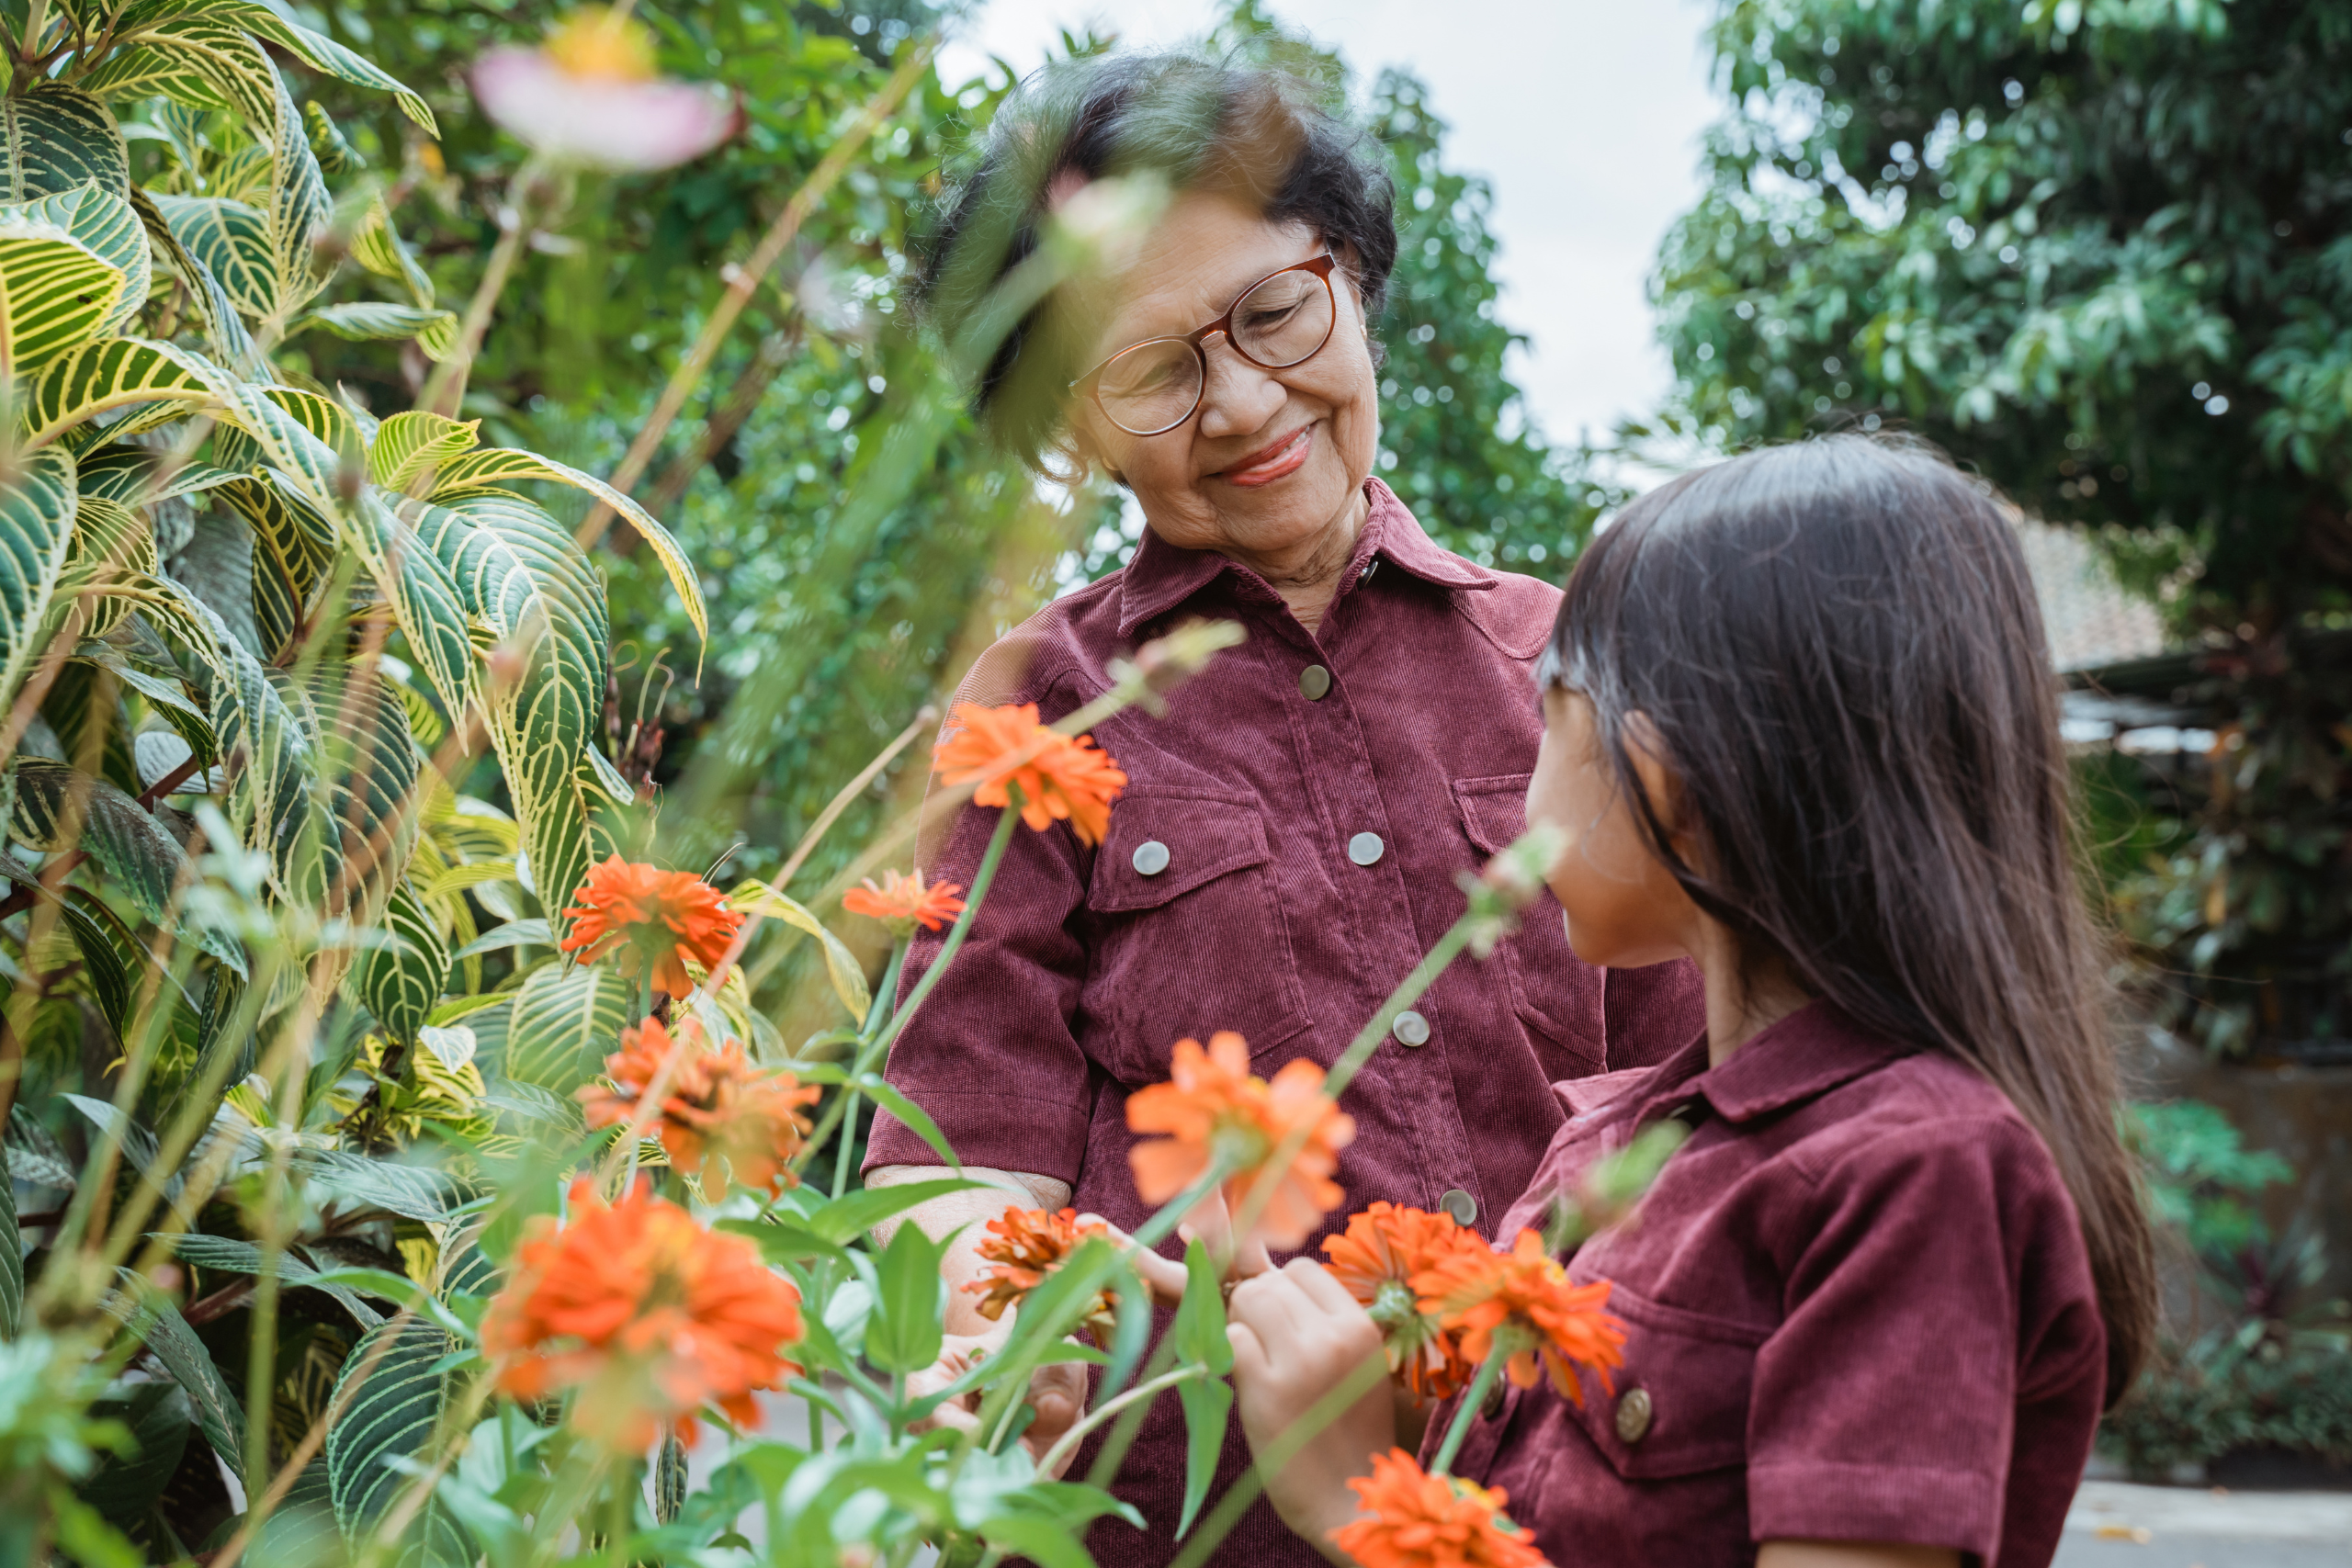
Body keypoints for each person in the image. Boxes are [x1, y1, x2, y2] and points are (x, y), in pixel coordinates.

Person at [856, 51, 1703, 1568]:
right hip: (1195, 1523)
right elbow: (959, 1149)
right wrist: (991, 1353)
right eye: (1153, 369)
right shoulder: (1042, 706)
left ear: (1355, 280)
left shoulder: (1576, 654)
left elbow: (1717, 1086)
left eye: (1272, 312)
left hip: (1578, 1504)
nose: (1245, 401)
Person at [1206, 437, 2157, 1568]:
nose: (1520, 801)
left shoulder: (1916, 1177)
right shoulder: (1627, 1139)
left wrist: (1366, 1512)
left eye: (1546, 719)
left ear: (1664, 777)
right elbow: (1548, 1493)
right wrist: (1280, 1332)